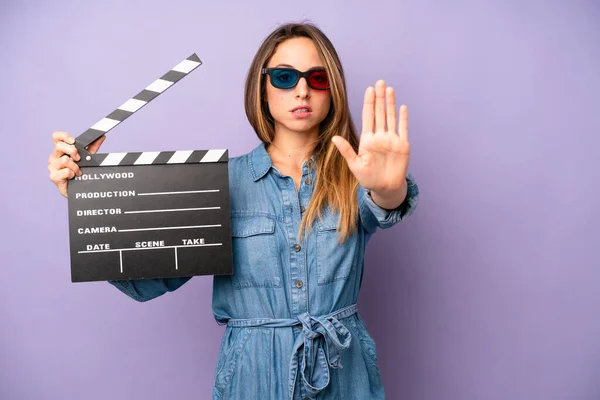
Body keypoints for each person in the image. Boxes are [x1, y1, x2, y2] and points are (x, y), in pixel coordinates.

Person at [48, 22, 419, 400]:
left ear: (333, 88)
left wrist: (389, 189)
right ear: (262, 87)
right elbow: (146, 280)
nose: (302, 89)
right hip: (252, 375)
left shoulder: (354, 175)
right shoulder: (218, 183)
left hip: (344, 373)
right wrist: (87, 198)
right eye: (285, 76)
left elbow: (384, 206)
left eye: (317, 77)